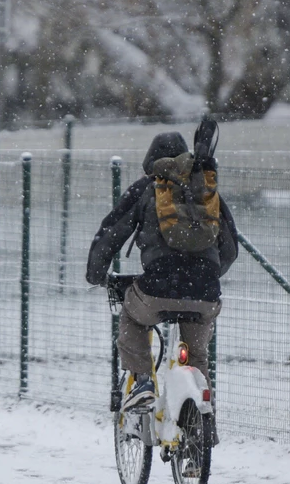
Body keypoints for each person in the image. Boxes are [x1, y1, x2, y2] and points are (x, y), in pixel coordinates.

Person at [85, 126, 238, 432]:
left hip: (157, 290)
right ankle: (202, 434)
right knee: (197, 356)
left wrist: (96, 273)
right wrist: (205, 275)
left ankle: (142, 381)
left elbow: (112, 233)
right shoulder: (204, 189)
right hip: (205, 294)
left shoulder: (146, 188)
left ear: (150, 163)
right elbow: (230, 247)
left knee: (132, 314)